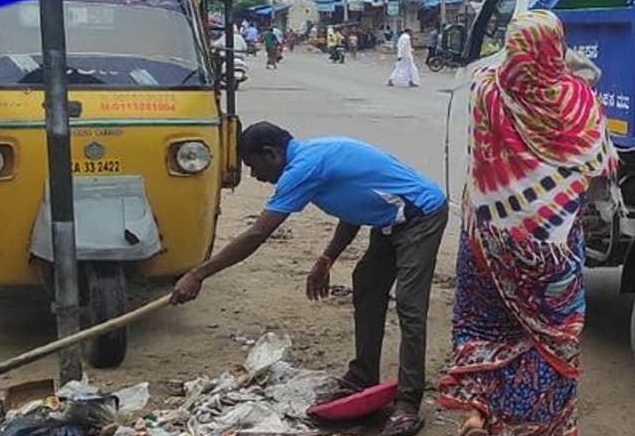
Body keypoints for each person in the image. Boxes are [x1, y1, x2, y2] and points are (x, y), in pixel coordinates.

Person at [172, 122, 448, 436]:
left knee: (410, 305)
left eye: (253, 166)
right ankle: (362, 376)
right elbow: (354, 206)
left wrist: (198, 274)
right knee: (367, 284)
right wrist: (327, 258)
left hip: (421, 214)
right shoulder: (316, 155)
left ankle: (408, 403)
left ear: (271, 153)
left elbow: (258, 234)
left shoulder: (302, 168)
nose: (254, 176)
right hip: (390, 220)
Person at [437, 10, 618, 436]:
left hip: (486, 239)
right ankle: (537, 427)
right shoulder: (579, 102)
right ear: (556, 49)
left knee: (481, 326)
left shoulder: (486, 91)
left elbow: (499, 72)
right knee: (553, 336)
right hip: (547, 248)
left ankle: (479, 411)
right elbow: (601, 168)